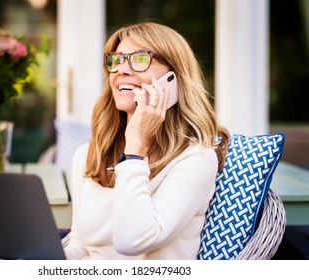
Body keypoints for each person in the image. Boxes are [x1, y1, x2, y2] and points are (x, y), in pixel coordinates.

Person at [62, 21, 229, 260]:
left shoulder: (196, 159)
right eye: (116, 60)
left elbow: (133, 241)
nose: (121, 70)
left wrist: (135, 149)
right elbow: (81, 244)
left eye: (140, 59)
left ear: (174, 77)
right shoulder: (88, 155)